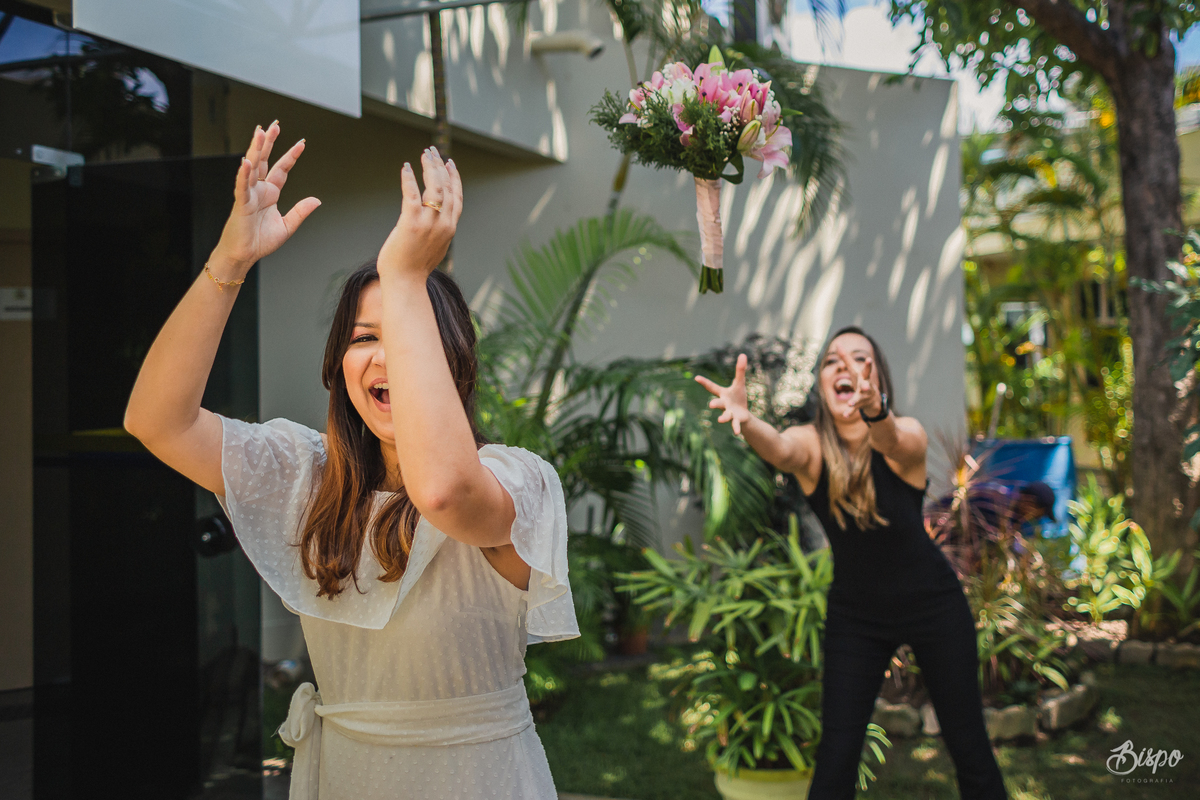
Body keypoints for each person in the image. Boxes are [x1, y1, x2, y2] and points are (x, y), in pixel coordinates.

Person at [124, 123, 577, 800]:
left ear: (453, 365)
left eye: (409, 332)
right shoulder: (307, 480)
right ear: (339, 365)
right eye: (367, 337)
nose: (388, 356)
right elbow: (155, 421)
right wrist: (230, 262)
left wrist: (405, 273)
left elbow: (445, 493)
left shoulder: (518, 480)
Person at [697, 326, 1007, 800]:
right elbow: (781, 450)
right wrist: (747, 420)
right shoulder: (812, 445)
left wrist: (875, 410)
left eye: (858, 358)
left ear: (877, 377)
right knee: (836, 756)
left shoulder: (907, 434)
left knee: (969, 745)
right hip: (856, 616)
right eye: (831, 361)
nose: (843, 366)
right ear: (822, 384)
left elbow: (892, 441)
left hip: (935, 606)